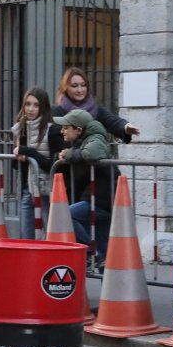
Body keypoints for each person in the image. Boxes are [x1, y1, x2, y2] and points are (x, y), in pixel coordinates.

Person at [53, 108, 114, 267]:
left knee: (67, 214)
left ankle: (89, 252)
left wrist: (69, 154)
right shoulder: (83, 140)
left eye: (66, 127)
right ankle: (102, 266)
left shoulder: (96, 138)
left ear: (78, 130)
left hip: (102, 199)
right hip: (99, 197)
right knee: (104, 253)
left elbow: (91, 153)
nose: (62, 131)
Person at [11, 86, 62, 239]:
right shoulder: (20, 129)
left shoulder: (53, 131)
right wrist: (19, 158)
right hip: (26, 190)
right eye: (27, 104)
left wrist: (29, 153)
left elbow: (54, 166)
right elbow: (16, 166)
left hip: (46, 191)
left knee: (51, 237)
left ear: (43, 107)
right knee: (26, 238)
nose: (30, 109)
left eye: (36, 105)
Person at [53, 67, 138, 144]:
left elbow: (113, 121)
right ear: (65, 88)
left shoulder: (95, 109)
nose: (80, 90)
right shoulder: (57, 111)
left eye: (83, 85)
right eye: (74, 86)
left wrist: (125, 127)